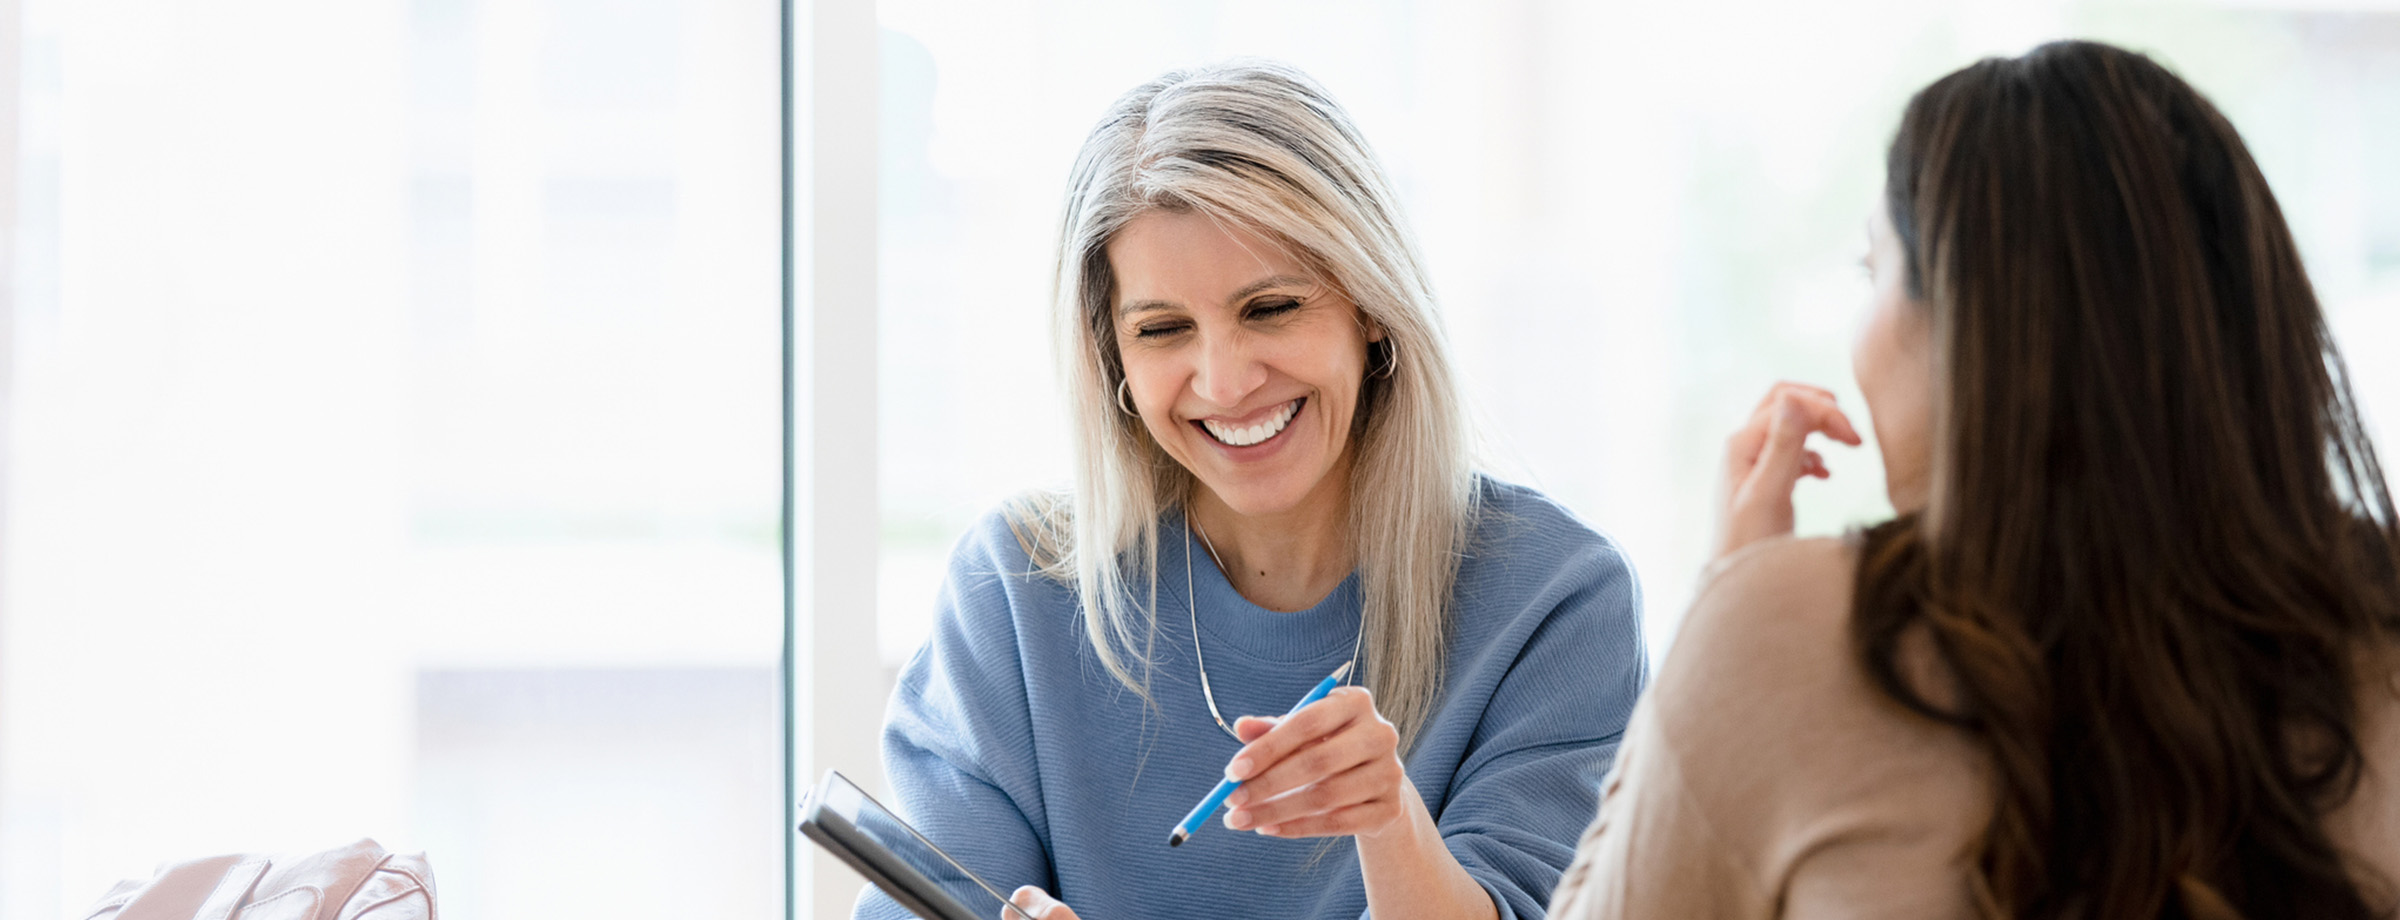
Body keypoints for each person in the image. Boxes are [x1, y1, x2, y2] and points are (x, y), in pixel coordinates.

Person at [1548, 40, 2400, 919]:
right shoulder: (2373, 622)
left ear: (1967, 321)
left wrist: (1726, 596)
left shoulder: (1789, 629)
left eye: (1871, 269)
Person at [858, 62, 1645, 920]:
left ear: (1371, 305)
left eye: (1270, 308)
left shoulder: (1556, 601)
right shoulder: (1013, 590)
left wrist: (1389, 827)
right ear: (1111, 357)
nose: (1226, 383)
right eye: (1162, 329)